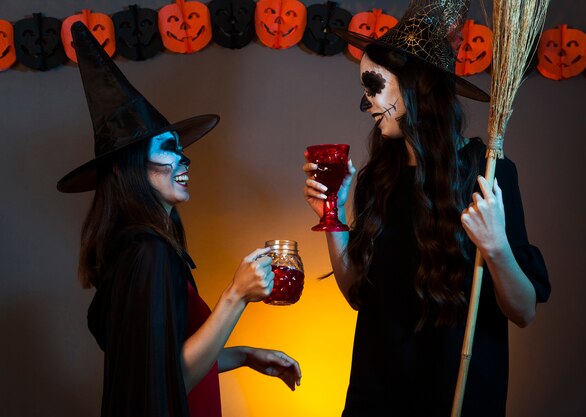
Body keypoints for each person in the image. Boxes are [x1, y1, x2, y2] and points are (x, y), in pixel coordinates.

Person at [302, 1, 550, 416]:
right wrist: (332, 215)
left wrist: (496, 247)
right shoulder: (379, 178)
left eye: (373, 85)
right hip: (376, 398)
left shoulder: (487, 174)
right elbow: (358, 296)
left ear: (414, 84)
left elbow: (523, 310)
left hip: (455, 397)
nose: (365, 104)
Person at [57, 22, 301, 417]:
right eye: (170, 149)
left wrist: (244, 356)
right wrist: (235, 297)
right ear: (131, 167)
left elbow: (165, 361)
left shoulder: (146, 250)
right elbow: (164, 383)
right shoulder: (147, 253)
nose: (185, 160)